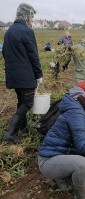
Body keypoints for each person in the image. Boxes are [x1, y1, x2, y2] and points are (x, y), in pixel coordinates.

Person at [2, 3, 43, 144]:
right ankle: (10, 133)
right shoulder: (26, 31)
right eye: (32, 16)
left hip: (13, 74)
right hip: (25, 75)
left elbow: (4, 53)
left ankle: (23, 128)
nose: (32, 19)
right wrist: (38, 74)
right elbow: (33, 55)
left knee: (21, 101)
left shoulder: (9, 31)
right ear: (26, 15)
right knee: (27, 103)